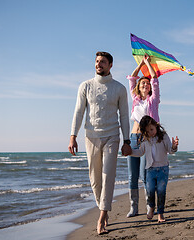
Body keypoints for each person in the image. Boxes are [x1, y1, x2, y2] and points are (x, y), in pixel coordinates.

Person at [68, 51, 132, 235]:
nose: (99, 64)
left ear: (110, 65)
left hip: (112, 135)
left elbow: (125, 116)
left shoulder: (119, 88)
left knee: (108, 175)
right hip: (91, 137)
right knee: (95, 179)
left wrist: (126, 140)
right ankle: (103, 206)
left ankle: (102, 215)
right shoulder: (85, 86)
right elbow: (78, 112)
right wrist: (73, 135)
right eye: (97, 61)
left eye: (103, 62)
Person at [126, 115, 179, 223]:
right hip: (150, 170)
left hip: (163, 169)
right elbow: (140, 152)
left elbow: (170, 150)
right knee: (150, 191)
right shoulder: (145, 140)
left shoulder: (163, 136)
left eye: (152, 129)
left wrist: (174, 146)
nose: (151, 132)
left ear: (156, 125)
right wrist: (130, 152)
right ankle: (151, 207)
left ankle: (160, 214)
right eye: (148, 131)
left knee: (161, 192)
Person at [126, 53, 160, 217]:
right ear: (138, 87)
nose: (145, 85)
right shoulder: (135, 99)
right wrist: (140, 64)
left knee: (145, 174)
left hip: (148, 140)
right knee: (132, 175)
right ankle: (134, 207)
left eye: (147, 83)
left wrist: (148, 63)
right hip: (133, 138)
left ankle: (149, 205)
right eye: (142, 83)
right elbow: (132, 78)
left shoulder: (153, 100)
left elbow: (155, 79)